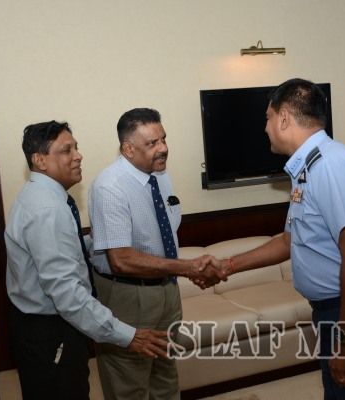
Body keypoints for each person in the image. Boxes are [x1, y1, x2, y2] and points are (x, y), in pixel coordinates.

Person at [206, 78, 345, 399]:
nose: (265, 127)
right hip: (344, 312)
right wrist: (227, 266)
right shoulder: (307, 168)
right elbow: (289, 241)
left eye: (267, 118)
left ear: (284, 118)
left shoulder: (329, 166)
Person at [5, 120, 172, 400]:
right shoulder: (47, 209)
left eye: (76, 148)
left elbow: (54, 252)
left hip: (42, 326)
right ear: (39, 160)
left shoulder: (42, 198)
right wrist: (127, 335)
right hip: (51, 331)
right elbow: (68, 294)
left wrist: (95, 241)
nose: (78, 155)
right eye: (66, 150)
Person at [88, 108, 224, 399]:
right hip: (128, 295)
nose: (163, 148)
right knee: (129, 384)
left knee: (166, 376)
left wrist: (180, 272)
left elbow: (165, 233)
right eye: (152, 143)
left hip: (167, 290)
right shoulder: (109, 187)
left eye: (163, 139)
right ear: (128, 149)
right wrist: (186, 268)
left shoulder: (160, 175)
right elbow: (120, 259)